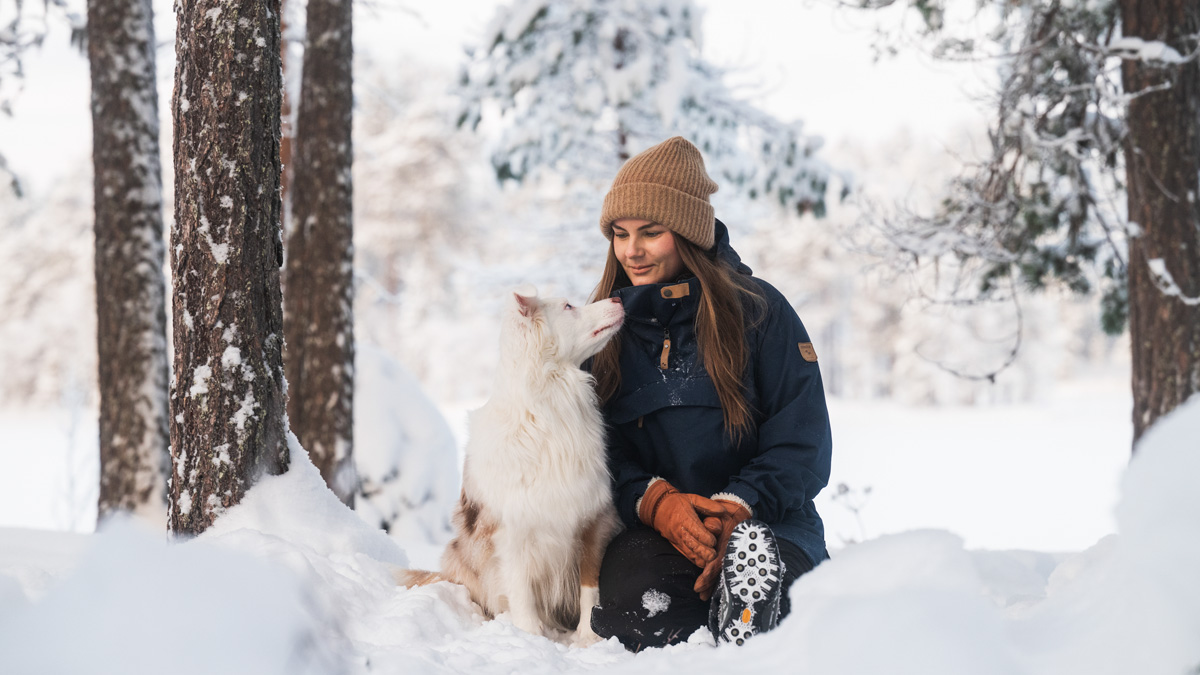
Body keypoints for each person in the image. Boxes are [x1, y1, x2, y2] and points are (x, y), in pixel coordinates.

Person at [586, 136, 833, 651]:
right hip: (656, 533)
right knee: (638, 608)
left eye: (651, 232)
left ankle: (750, 609)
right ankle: (725, 623)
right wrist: (654, 502)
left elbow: (802, 441)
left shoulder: (761, 312)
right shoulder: (605, 331)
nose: (632, 250)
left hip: (769, 525)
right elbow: (596, 452)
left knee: (779, 593)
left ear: (688, 232)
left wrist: (737, 508)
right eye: (620, 233)